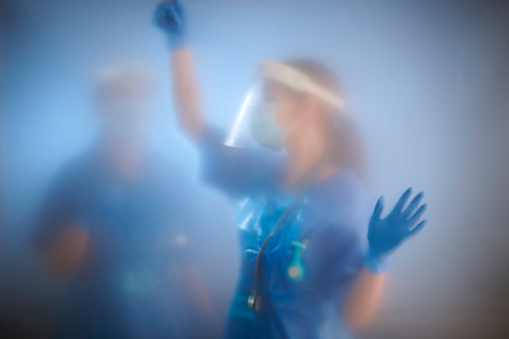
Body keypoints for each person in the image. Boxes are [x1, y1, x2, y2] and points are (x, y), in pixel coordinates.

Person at [153, 1, 428, 338]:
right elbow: (194, 125)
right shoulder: (258, 170)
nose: (258, 106)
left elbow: (352, 317)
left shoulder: (345, 198)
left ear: (306, 108)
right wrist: (178, 43)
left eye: (269, 96)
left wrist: (376, 259)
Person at [33, 62, 214, 339]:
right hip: (91, 326)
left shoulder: (171, 179)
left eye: (142, 96)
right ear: (99, 105)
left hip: (165, 325)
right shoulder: (73, 177)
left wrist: (209, 325)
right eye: (121, 96)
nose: (133, 105)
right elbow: (57, 267)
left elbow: (188, 263)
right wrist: (90, 208)